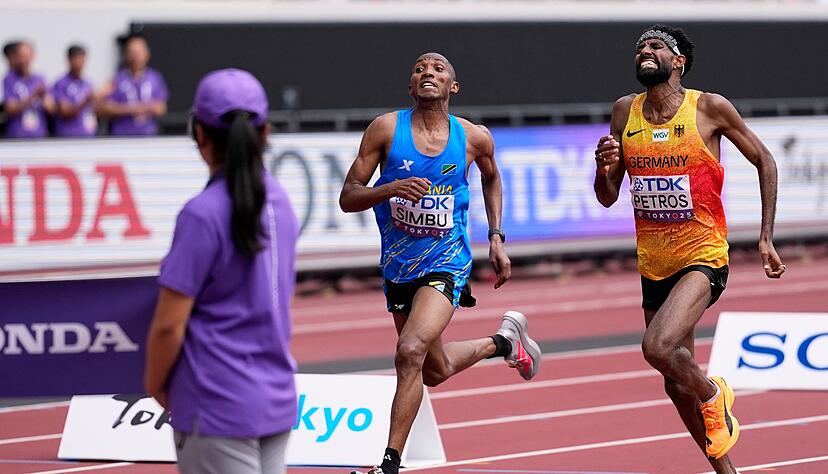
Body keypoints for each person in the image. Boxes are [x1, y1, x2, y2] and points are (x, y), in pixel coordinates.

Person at [593, 25, 786, 473]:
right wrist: (605, 168)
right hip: (653, 262)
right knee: (674, 384)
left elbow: (765, 160)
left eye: (656, 45)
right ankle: (726, 471)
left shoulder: (710, 107)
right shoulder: (625, 112)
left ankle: (714, 393)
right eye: (640, 46)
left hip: (702, 255)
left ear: (677, 61)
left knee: (658, 347)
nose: (645, 50)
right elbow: (607, 195)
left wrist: (765, 237)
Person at [340, 52, 541, 474]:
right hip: (398, 266)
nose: (427, 72)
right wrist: (389, 188)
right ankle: (505, 343)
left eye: (437, 69)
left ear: (453, 86)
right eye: (418, 69)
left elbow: (491, 176)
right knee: (434, 369)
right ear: (410, 87)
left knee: (409, 350)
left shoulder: (473, 137)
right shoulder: (385, 129)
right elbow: (348, 196)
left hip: (446, 261)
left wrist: (497, 238)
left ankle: (389, 465)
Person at [144, 69, 297, 474]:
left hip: (215, 402)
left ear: (200, 134)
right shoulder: (281, 204)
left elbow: (167, 326)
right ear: (265, 132)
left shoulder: (201, 215)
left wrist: (156, 384)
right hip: (276, 398)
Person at [99, 34, 168, 136]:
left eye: (139, 53)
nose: (136, 57)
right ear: (126, 55)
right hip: (121, 136)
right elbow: (105, 108)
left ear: (147, 54)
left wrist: (144, 109)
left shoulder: (155, 78)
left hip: (148, 136)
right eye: (133, 53)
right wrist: (135, 108)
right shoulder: (117, 79)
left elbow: (161, 108)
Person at [2, 40, 52, 139]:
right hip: (16, 138)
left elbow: (51, 108)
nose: (23, 60)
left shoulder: (40, 79)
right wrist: (33, 96)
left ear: (33, 56)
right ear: (15, 57)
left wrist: (43, 97)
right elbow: (10, 108)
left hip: (39, 136)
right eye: (21, 56)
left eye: (26, 56)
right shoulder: (8, 80)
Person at [52, 45, 98, 137]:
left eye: (82, 60)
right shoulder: (61, 84)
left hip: (89, 137)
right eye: (76, 59)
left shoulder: (88, 83)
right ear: (69, 59)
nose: (79, 63)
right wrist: (85, 101)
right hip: (70, 138)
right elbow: (65, 111)